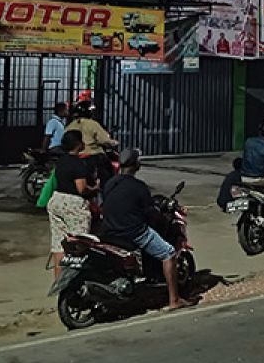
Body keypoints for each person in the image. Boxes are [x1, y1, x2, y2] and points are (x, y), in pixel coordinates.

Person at [101, 149, 195, 311]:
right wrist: (162, 217)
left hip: (109, 231)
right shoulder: (138, 187)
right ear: (136, 165)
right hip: (134, 232)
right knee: (168, 253)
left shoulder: (110, 183)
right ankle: (174, 300)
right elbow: (151, 213)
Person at [46, 130, 97, 280]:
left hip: (56, 200)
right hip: (73, 204)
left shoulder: (61, 161)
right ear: (78, 144)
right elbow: (82, 189)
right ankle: (76, 283)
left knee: (58, 245)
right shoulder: (79, 163)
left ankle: (59, 284)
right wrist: (95, 188)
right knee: (79, 245)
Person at [65, 100, 116, 186]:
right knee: (108, 177)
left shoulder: (70, 125)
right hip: (93, 156)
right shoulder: (93, 124)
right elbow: (104, 140)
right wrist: (113, 143)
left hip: (74, 155)